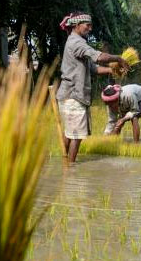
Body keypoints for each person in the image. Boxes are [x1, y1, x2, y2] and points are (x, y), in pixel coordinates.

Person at [56, 12, 130, 162]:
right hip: (73, 96)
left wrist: (112, 70)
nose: (90, 28)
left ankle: (66, 164)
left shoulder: (77, 43)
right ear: (76, 26)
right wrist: (118, 58)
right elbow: (99, 57)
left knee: (70, 133)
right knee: (76, 136)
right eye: (87, 25)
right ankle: (70, 168)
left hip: (70, 95)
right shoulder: (76, 43)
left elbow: (93, 68)